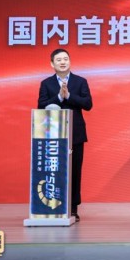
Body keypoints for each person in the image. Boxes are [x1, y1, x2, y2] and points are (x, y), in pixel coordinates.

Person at [38, 48, 93, 221]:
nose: (63, 62)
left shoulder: (80, 81)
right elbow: (41, 106)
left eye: (65, 59)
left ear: (70, 61)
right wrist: (59, 98)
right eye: (59, 60)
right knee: (56, 171)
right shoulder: (46, 83)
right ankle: (54, 205)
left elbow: (88, 104)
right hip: (53, 136)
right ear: (52, 64)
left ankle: (73, 208)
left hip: (75, 133)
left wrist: (69, 96)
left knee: (75, 171)